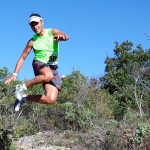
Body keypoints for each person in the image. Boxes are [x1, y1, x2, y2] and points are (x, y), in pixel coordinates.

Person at [4, 13, 69, 111]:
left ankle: (24, 98)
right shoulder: (32, 41)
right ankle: (22, 86)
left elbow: (66, 36)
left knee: (50, 99)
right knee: (48, 75)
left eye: (36, 23)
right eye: (32, 25)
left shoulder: (52, 32)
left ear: (42, 22)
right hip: (39, 63)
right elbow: (22, 57)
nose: (35, 26)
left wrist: (62, 37)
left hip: (53, 68)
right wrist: (14, 74)